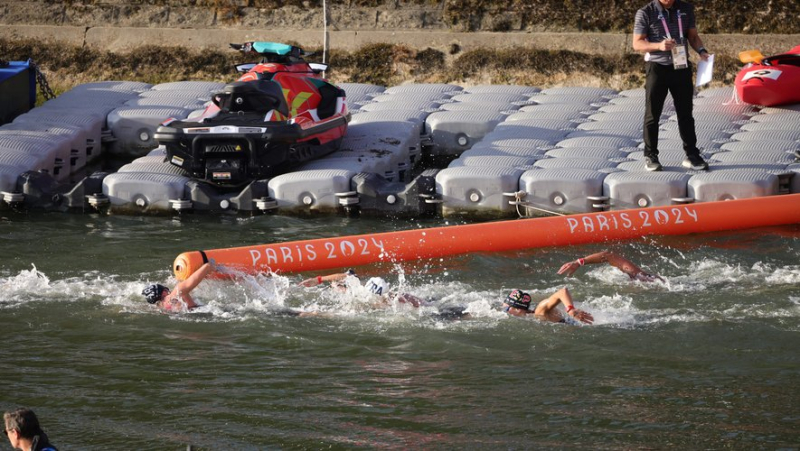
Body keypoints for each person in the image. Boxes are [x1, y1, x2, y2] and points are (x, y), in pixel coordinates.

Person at [633, 0, 711, 172]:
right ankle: (651, 155)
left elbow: (693, 36)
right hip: (657, 68)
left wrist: (702, 51)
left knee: (686, 113)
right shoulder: (645, 12)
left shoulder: (685, 8)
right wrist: (658, 46)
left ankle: (692, 154)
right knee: (653, 114)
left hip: (681, 66)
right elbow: (637, 43)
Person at [300, 270, 470, 319]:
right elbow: (348, 275)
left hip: (429, 310)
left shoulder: (389, 301)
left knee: (458, 313)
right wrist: (318, 279)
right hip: (425, 302)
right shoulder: (366, 294)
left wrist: (315, 314)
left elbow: (341, 314)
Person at [142, 261, 218, 312]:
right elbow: (206, 268)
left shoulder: (159, 308)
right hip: (207, 312)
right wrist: (212, 267)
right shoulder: (178, 292)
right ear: (164, 291)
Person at [557, 250, 665, 282]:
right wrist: (578, 262)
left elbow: (608, 256)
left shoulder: (638, 276)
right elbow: (608, 256)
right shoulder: (640, 276)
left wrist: (578, 263)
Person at [503, 288, 594, 325]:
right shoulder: (529, 317)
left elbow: (563, 291)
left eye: (506, 309)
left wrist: (570, 310)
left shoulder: (540, 311)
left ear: (518, 309)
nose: (504, 311)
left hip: (583, 325)